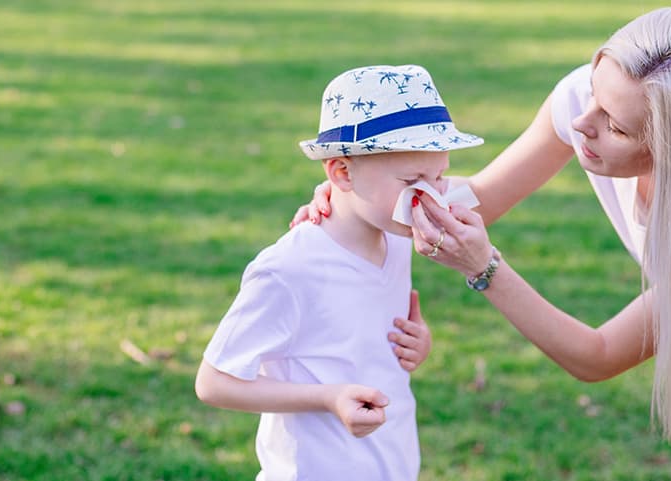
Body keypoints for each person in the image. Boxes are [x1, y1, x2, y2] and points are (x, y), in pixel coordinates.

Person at [293, 7, 671, 481]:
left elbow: (597, 356)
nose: (582, 123)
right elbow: (477, 199)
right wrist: (357, 198)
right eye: (594, 93)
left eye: (616, 126)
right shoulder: (589, 103)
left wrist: (485, 268)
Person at [195, 64, 483, 481]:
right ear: (342, 173)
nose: (430, 195)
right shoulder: (289, 269)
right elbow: (213, 383)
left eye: (439, 176)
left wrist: (417, 345)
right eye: (412, 180)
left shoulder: (398, 237)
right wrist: (329, 397)